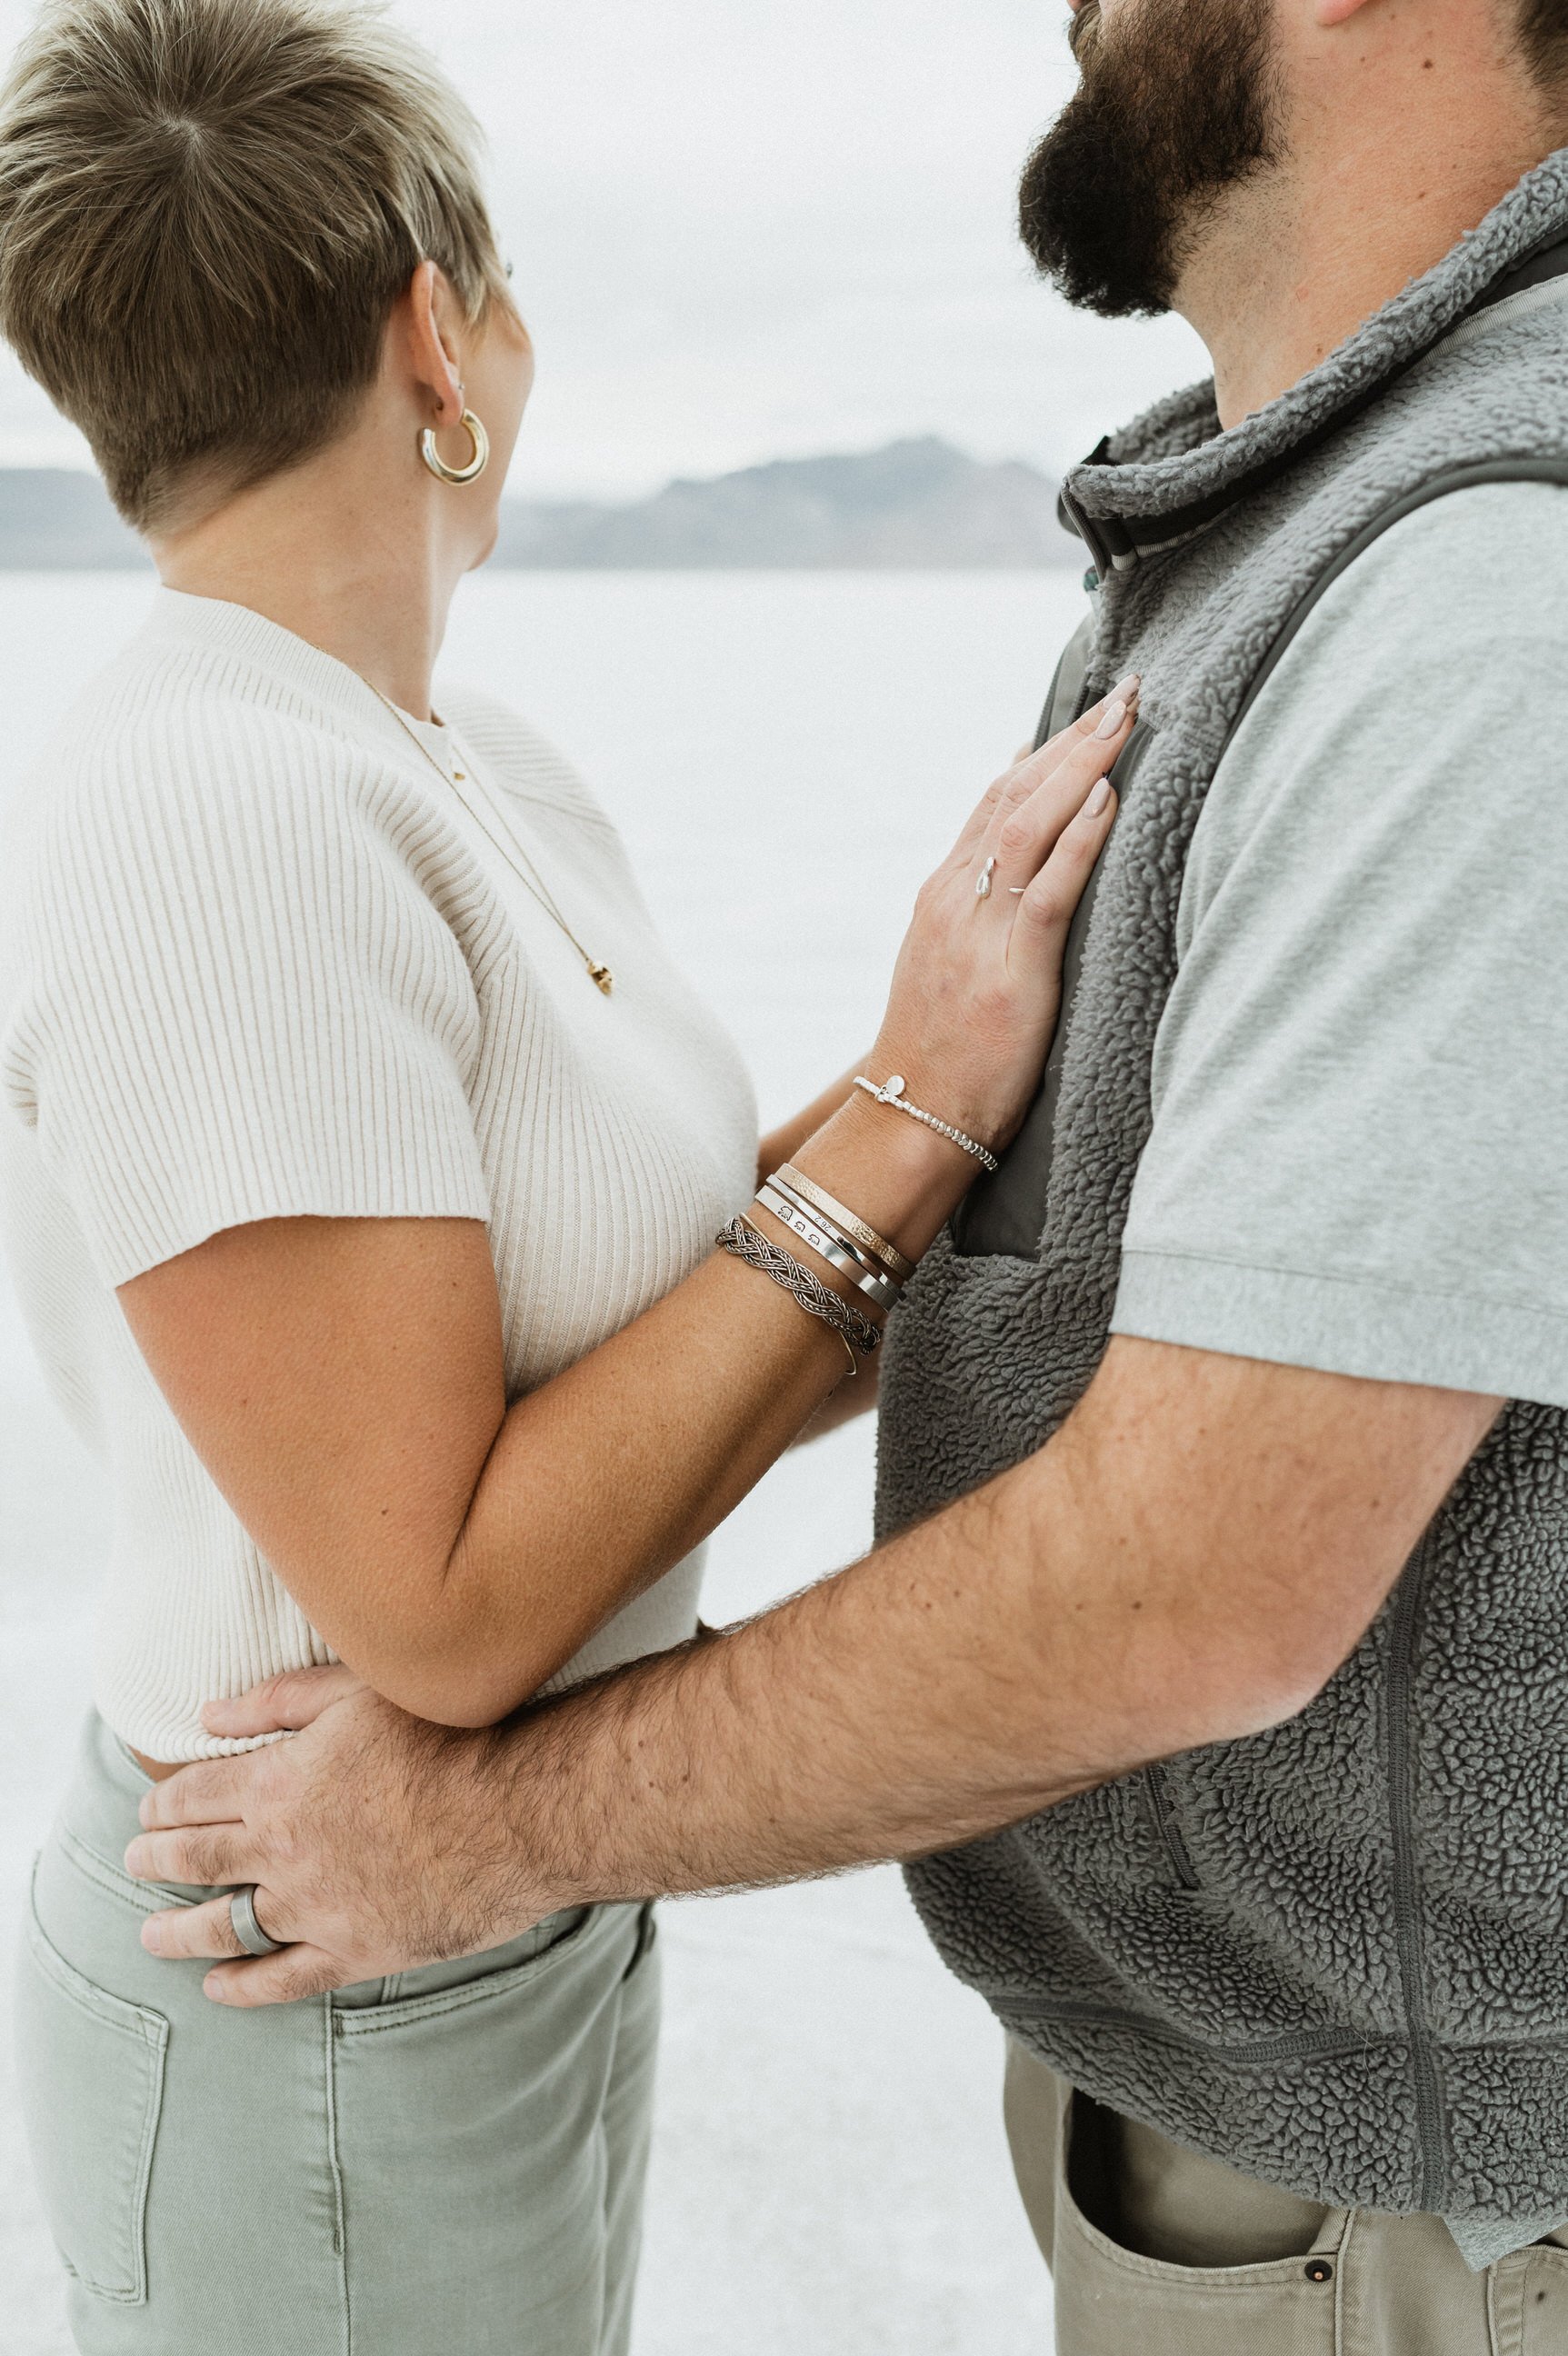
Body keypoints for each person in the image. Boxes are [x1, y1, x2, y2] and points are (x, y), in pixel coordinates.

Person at [124, 0, 1568, 2349]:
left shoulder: (1475, 602)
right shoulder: (1279, 534)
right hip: (1259, 2154)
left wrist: (471, 1832)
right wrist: (915, 1114)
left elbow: (1199, 1583)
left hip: (1425, 2232)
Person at [0, 3, 1131, 2351]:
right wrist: (917, 1108)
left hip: (485, 1921)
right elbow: (439, 1606)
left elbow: (658, 1327)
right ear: (437, 329)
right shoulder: (215, 814)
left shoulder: (440, 752)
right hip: (298, 1974)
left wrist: (995, 1051)